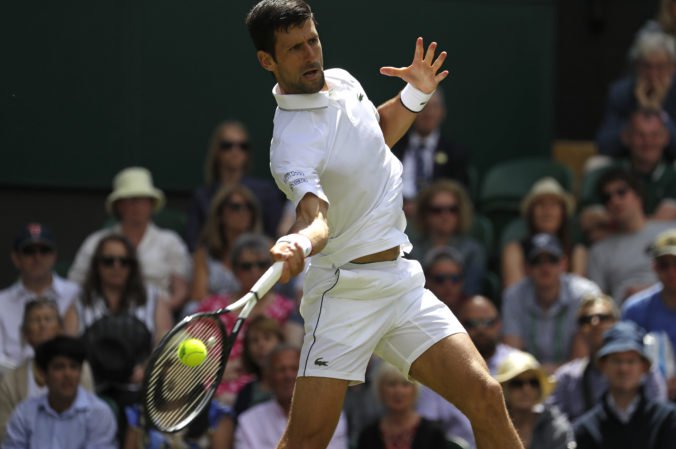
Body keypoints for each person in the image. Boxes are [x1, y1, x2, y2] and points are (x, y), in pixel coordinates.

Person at [246, 2, 524, 449]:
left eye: (313, 40)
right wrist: (300, 240)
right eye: (294, 49)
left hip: (400, 284)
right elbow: (315, 215)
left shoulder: (341, 81)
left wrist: (415, 95)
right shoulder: (291, 147)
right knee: (307, 440)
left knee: (486, 395)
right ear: (268, 61)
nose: (311, 55)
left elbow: (376, 134)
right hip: (343, 295)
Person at [68, 167, 192, 313]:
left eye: (142, 200)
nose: (136, 206)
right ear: (119, 205)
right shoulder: (95, 241)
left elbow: (181, 290)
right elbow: (74, 287)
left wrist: (158, 313)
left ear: (151, 204)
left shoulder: (170, 241)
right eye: (130, 200)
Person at [197, 233, 298, 405]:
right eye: (246, 266)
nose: (255, 272)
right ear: (234, 270)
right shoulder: (214, 308)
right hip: (212, 392)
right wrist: (216, 369)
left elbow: (291, 358)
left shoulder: (287, 309)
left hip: (266, 396)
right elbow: (184, 349)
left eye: (262, 265)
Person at [417, 296, 520, 447]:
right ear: (457, 325)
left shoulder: (520, 362)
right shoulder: (441, 367)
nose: (481, 329)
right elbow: (427, 426)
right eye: (471, 324)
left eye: (488, 322)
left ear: (499, 324)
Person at [549, 293, 667, 422]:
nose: (595, 323)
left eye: (603, 317)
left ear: (617, 322)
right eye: (586, 320)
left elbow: (658, 418)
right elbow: (554, 426)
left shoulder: (644, 370)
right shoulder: (567, 378)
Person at [502, 233, 601, 373]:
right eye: (537, 261)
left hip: (574, 380)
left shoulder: (585, 294)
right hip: (527, 382)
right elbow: (512, 356)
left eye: (552, 260)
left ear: (564, 264)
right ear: (526, 268)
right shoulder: (514, 296)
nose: (545, 267)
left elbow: (580, 362)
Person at [0, 298, 94, 440]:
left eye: (48, 319)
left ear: (61, 329)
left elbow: (90, 420)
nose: (42, 324)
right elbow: (5, 431)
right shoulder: (11, 381)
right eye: (35, 320)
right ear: (26, 333)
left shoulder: (81, 369)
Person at [2, 336, 117, 449]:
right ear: (43, 374)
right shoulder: (24, 414)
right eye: (59, 367)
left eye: (74, 367)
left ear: (80, 372)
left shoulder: (98, 413)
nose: (68, 374)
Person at [573, 321, 676, 449]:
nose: (624, 368)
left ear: (644, 367)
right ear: (603, 366)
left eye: (631, 361)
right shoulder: (586, 429)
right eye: (617, 361)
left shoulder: (666, 421)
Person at [186, 120, 286, 248]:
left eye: (243, 146)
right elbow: (193, 243)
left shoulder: (266, 192)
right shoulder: (203, 196)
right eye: (227, 145)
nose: (235, 151)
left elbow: (275, 236)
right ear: (216, 150)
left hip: (257, 262)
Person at [587, 168, 676, 303]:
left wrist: (649, 293)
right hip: (625, 316)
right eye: (607, 198)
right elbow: (596, 303)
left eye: (621, 192)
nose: (615, 201)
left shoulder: (670, 232)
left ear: (638, 196)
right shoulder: (599, 251)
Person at [235, 344, 348, 449]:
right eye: (281, 370)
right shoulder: (249, 422)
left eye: (295, 369)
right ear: (268, 377)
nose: (288, 376)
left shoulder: (330, 417)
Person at [0, 223, 79, 370]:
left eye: (44, 250)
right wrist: (29, 376)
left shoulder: (75, 294)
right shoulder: (1, 302)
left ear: (54, 256)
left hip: (68, 381)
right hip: (14, 384)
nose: (37, 257)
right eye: (29, 251)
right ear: (16, 258)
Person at [77, 234, 173, 345]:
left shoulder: (155, 299)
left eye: (124, 261)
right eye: (108, 261)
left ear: (133, 266)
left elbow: (166, 347)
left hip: (145, 362)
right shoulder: (79, 300)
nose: (116, 267)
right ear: (97, 265)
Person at [596, 30, 676, 159]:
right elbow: (604, 144)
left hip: (670, 162)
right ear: (637, 67)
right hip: (628, 162)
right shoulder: (621, 92)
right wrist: (639, 114)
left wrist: (658, 113)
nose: (653, 75)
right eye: (647, 66)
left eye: (660, 67)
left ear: (673, 68)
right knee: (596, 164)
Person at [390, 88, 470, 216]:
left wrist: (425, 207)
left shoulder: (455, 153)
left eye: (434, 107)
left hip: (436, 218)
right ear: (411, 111)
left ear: (442, 112)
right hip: (395, 213)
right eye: (423, 106)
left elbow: (459, 194)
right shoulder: (392, 147)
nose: (429, 113)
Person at [585, 109, 676, 219]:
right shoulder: (603, 173)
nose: (647, 141)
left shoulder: (673, 177)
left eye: (654, 135)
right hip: (614, 237)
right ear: (626, 137)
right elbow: (588, 218)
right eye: (640, 135)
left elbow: (665, 222)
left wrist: (617, 221)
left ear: (666, 138)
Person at [502, 177, 587, 288]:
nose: (547, 211)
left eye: (554, 205)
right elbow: (514, 297)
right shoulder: (515, 251)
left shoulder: (577, 252)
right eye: (540, 204)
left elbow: (578, 295)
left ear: (563, 213)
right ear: (531, 213)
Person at [623, 228, 676, 400]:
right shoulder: (635, 309)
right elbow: (624, 359)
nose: (671, 272)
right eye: (664, 265)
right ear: (654, 266)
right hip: (649, 400)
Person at [409, 180, 486, 295]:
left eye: (452, 209)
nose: (445, 216)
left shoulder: (473, 251)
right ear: (424, 214)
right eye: (437, 210)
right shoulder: (410, 251)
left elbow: (471, 292)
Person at [190, 185, 264, 303]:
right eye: (236, 207)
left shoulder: (267, 248)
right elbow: (199, 296)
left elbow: (273, 293)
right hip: (216, 314)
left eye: (249, 207)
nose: (243, 212)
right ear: (220, 214)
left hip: (258, 311)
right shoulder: (204, 254)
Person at [356, 362, 447, 449]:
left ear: (415, 390)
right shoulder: (368, 436)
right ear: (380, 390)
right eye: (392, 384)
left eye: (405, 384)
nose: (398, 391)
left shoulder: (433, 434)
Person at [496, 350, 575, 449]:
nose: (526, 390)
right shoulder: (494, 425)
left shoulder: (555, 427)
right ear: (504, 389)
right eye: (517, 383)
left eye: (533, 383)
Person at [422, 246, 468, 313]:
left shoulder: (472, 311)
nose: (448, 285)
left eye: (454, 279)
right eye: (440, 279)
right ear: (427, 281)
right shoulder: (415, 312)